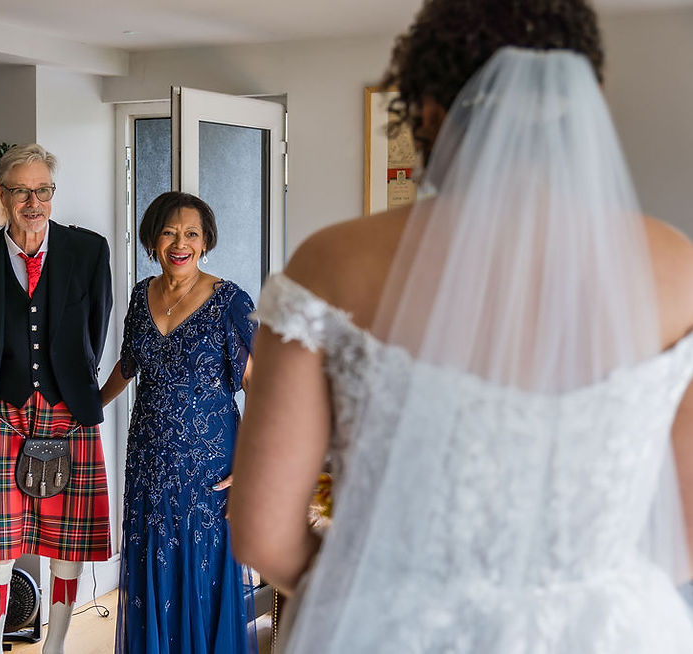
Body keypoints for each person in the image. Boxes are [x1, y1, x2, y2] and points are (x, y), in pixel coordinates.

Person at [229, 1, 693, 653]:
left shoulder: (332, 263)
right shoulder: (677, 267)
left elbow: (262, 533)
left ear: (428, 112)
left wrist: (376, 598)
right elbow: (683, 535)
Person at [0, 143, 113, 654]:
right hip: (2, 412)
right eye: (21, 191)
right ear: (2, 195)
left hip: (69, 410)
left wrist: (69, 382)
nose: (33, 202)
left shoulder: (88, 252)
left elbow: (96, 330)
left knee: (68, 546)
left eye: (43, 190)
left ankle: (55, 647)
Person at [100, 191, 257, 654]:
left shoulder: (230, 301)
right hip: (148, 464)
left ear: (206, 241)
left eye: (191, 233)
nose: (180, 243)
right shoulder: (140, 295)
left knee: (202, 575)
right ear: (153, 240)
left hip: (208, 469)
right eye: (169, 233)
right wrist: (88, 407)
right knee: (152, 569)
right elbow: (128, 366)